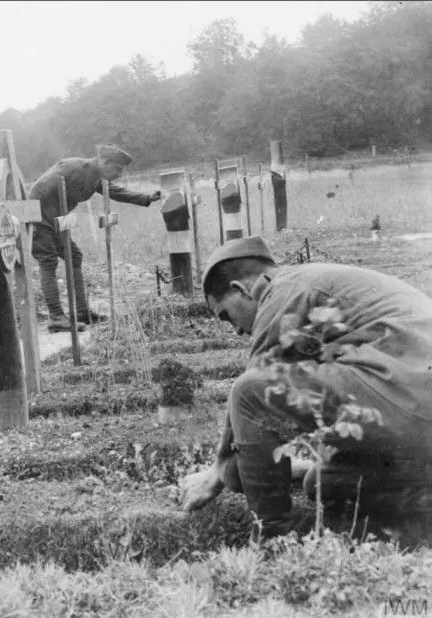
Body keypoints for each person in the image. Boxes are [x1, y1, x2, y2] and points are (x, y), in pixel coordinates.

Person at [179, 236, 432, 541]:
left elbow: (252, 395)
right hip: (411, 400)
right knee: (322, 482)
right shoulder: (311, 285)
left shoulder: (284, 289)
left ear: (241, 290)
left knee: (249, 393)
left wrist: (216, 472)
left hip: (409, 387)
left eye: (226, 315)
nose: (235, 328)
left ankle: (271, 543)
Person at [28, 144, 162, 332]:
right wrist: (30, 223)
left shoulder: (95, 178)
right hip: (39, 220)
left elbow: (116, 192)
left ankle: (82, 312)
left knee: (74, 257)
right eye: (117, 169)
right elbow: (36, 190)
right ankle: (56, 317)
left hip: (57, 222)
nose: (119, 174)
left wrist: (146, 197)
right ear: (104, 162)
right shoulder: (72, 167)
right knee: (48, 262)